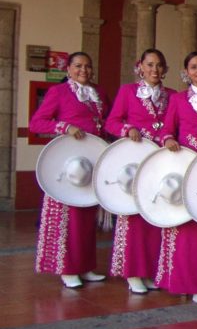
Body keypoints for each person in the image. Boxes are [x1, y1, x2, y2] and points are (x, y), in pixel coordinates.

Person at [29, 52, 109, 288]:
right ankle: (67, 268)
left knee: (86, 217)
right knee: (68, 219)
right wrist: (65, 126)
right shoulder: (59, 92)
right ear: (68, 69)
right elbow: (37, 123)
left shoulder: (99, 93)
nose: (83, 70)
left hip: (92, 161)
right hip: (69, 164)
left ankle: (85, 266)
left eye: (87, 66)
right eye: (78, 66)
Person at [105, 48, 173, 294]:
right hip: (135, 161)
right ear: (140, 67)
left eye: (159, 65)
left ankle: (151, 270)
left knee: (156, 215)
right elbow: (111, 122)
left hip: (160, 163)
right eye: (150, 65)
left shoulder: (172, 95)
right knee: (133, 218)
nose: (154, 70)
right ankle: (133, 272)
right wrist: (127, 129)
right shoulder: (128, 92)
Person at [158, 51, 197, 303]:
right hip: (188, 166)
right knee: (189, 228)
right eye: (194, 67)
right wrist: (169, 139)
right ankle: (190, 281)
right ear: (186, 72)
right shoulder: (178, 100)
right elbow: (167, 131)